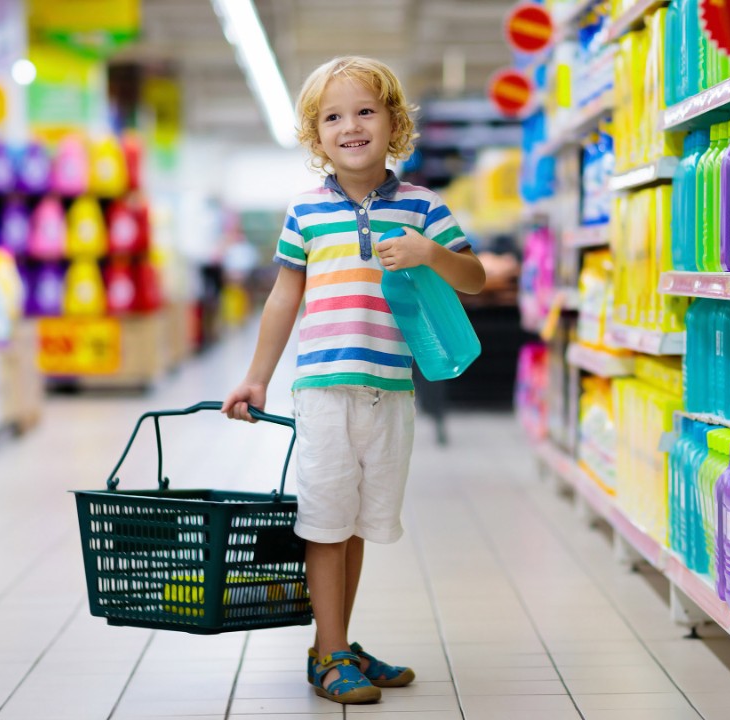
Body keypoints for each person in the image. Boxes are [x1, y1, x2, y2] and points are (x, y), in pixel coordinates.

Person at [221, 56, 485, 705]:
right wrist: (257, 378)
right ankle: (330, 651)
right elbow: (284, 297)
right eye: (333, 117)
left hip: (391, 389)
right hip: (324, 388)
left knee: (360, 521)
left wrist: (431, 254)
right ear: (316, 137)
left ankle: (333, 645)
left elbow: (475, 278)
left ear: (394, 122)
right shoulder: (306, 213)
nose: (351, 126)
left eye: (366, 110)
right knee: (324, 520)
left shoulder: (424, 207)